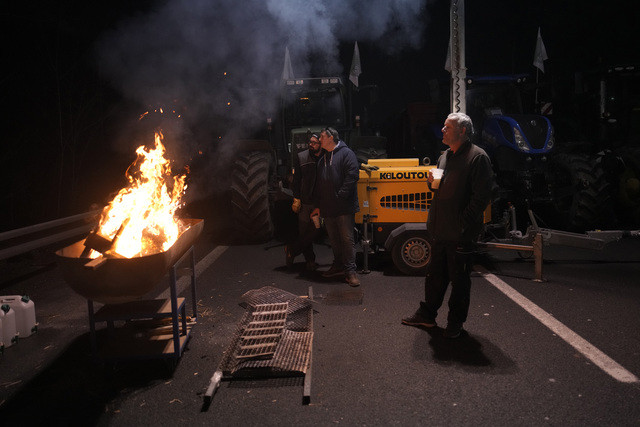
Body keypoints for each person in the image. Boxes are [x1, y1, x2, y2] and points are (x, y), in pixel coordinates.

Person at [402, 112, 494, 338]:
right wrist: (431, 183)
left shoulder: (477, 157)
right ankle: (427, 316)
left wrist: (461, 223)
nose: (442, 130)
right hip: (440, 230)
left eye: (447, 127)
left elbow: (481, 198)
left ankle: (455, 324)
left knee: (459, 283)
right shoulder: (445, 155)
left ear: (462, 131)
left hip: (460, 234)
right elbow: (437, 187)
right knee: (435, 277)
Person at [311, 127, 361, 287]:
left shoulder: (347, 154)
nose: (319, 140)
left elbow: (353, 175)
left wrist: (340, 196)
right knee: (334, 240)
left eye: (322, 137)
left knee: (347, 240)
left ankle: (350, 271)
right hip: (328, 208)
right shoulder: (323, 160)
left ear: (331, 138)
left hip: (344, 207)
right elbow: (319, 185)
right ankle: (339, 265)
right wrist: (319, 206)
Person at [285, 133, 323, 271]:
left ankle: (292, 250)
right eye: (310, 142)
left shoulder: (327, 157)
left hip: (320, 202)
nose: (311, 144)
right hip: (306, 201)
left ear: (321, 144)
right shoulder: (301, 157)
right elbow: (296, 180)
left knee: (315, 231)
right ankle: (310, 260)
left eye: (314, 142)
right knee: (304, 231)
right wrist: (296, 198)